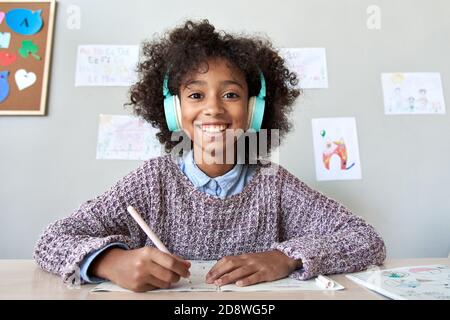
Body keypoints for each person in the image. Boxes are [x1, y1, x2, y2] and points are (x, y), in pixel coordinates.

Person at [34, 19, 386, 292]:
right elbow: (51, 240)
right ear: (173, 111)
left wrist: (284, 258)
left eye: (231, 95)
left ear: (255, 111)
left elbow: (366, 240)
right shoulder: (151, 181)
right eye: (196, 95)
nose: (213, 109)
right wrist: (109, 262)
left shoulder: (274, 185)